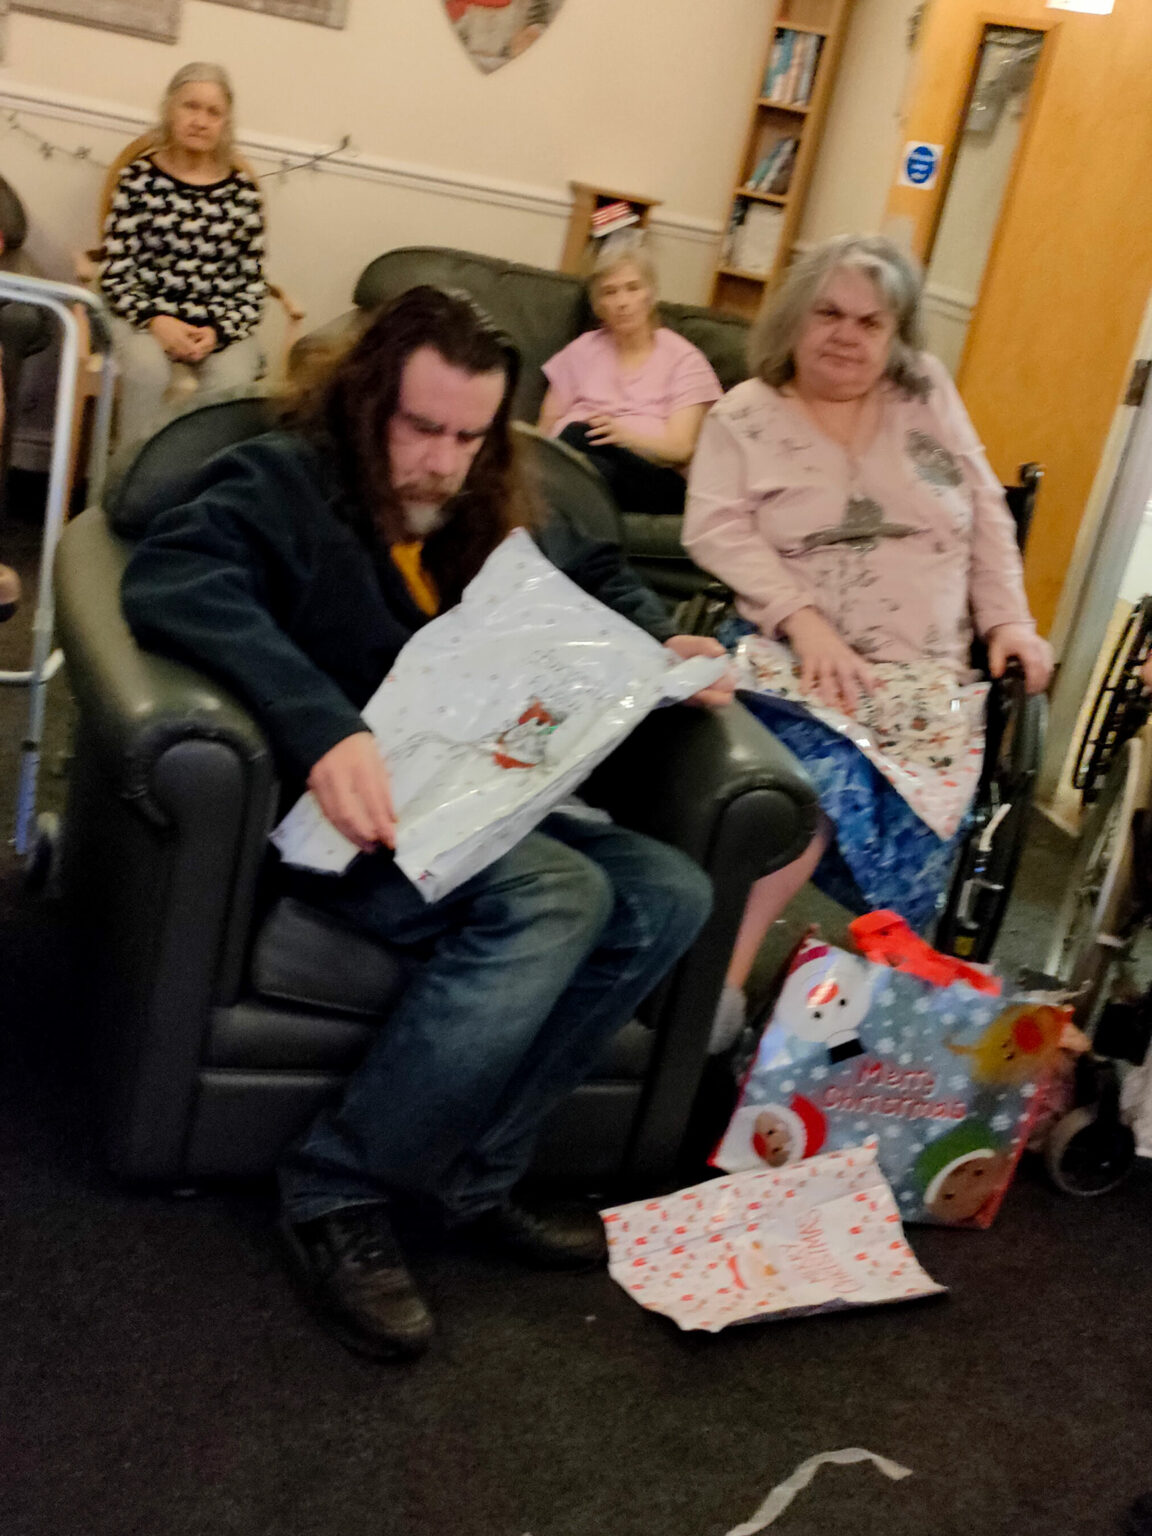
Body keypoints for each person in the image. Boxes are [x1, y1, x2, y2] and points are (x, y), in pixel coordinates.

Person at [120, 285, 733, 1362]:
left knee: (671, 893)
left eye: (468, 436)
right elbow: (174, 576)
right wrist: (321, 726)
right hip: (346, 820)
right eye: (421, 429)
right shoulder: (284, 480)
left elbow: (591, 571)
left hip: (478, 801)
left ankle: (474, 1180)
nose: (442, 462)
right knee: (563, 895)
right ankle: (336, 1189)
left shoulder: (484, 499)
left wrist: (658, 640)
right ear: (368, 402)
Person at [683, 234, 1053, 1048]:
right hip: (797, 658)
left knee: (927, 817)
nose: (847, 336)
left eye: (870, 322)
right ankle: (717, 993)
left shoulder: (925, 392)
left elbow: (986, 511)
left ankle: (869, 1027)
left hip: (926, 677)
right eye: (829, 314)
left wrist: (1008, 620)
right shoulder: (743, 415)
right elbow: (713, 529)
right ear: (794, 319)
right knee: (812, 787)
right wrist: (801, 616)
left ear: (895, 335)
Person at [101, 62, 266, 448]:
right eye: (190, 106)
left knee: (232, 383)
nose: (200, 121)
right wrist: (156, 320)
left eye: (213, 112)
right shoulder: (137, 180)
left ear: (226, 123)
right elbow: (116, 273)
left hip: (217, 322)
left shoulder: (242, 193)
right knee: (147, 371)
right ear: (169, 109)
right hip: (143, 315)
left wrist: (218, 331)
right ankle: (131, 477)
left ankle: (201, 481)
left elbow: (252, 288)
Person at [538, 233, 722, 515]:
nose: (622, 302)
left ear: (650, 294)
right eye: (610, 292)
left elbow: (681, 448)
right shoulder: (581, 351)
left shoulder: (684, 359)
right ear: (599, 305)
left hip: (656, 480)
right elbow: (544, 431)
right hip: (590, 468)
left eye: (633, 288)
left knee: (578, 435)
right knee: (579, 454)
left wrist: (622, 436)